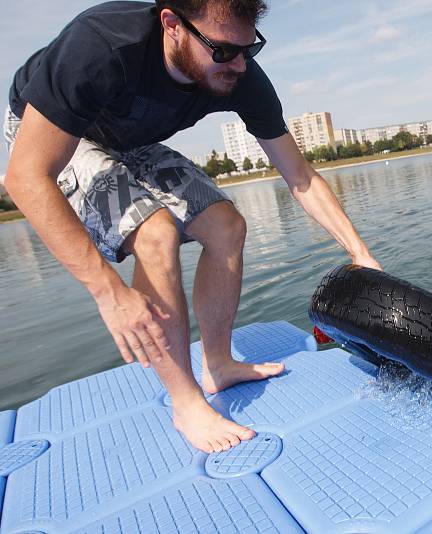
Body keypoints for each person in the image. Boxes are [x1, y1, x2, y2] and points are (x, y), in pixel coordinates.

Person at [3, 0, 380, 454]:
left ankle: (218, 363)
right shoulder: (102, 46)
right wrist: (108, 292)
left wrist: (360, 255)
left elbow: (299, 176)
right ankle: (186, 403)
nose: (238, 64)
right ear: (172, 25)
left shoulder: (239, 71)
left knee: (226, 225)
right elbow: (26, 178)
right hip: (53, 131)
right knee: (156, 233)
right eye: (223, 51)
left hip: (131, 141)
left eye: (249, 49)